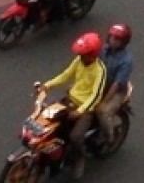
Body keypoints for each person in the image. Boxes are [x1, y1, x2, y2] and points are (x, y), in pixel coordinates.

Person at [37, 31, 107, 180]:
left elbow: (96, 95)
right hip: (69, 100)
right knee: (48, 124)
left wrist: (81, 111)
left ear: (93, 54)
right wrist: (47, 86)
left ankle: (79, 157)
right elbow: (65, 75)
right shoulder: (78, 61)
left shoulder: (100, 70)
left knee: (75, 137)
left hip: (86, 109)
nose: (81, 57)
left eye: (84, 54)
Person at [96, 23, 134, 143]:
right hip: (101, 85)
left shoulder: (126, 61)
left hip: (116, 92)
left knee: (103, 112)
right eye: (112, 37)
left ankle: (110, 137)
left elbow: (116, 84)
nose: (113, 40)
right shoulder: (103, 50)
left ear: (124, 42)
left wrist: (104, 102)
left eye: (117, 39)